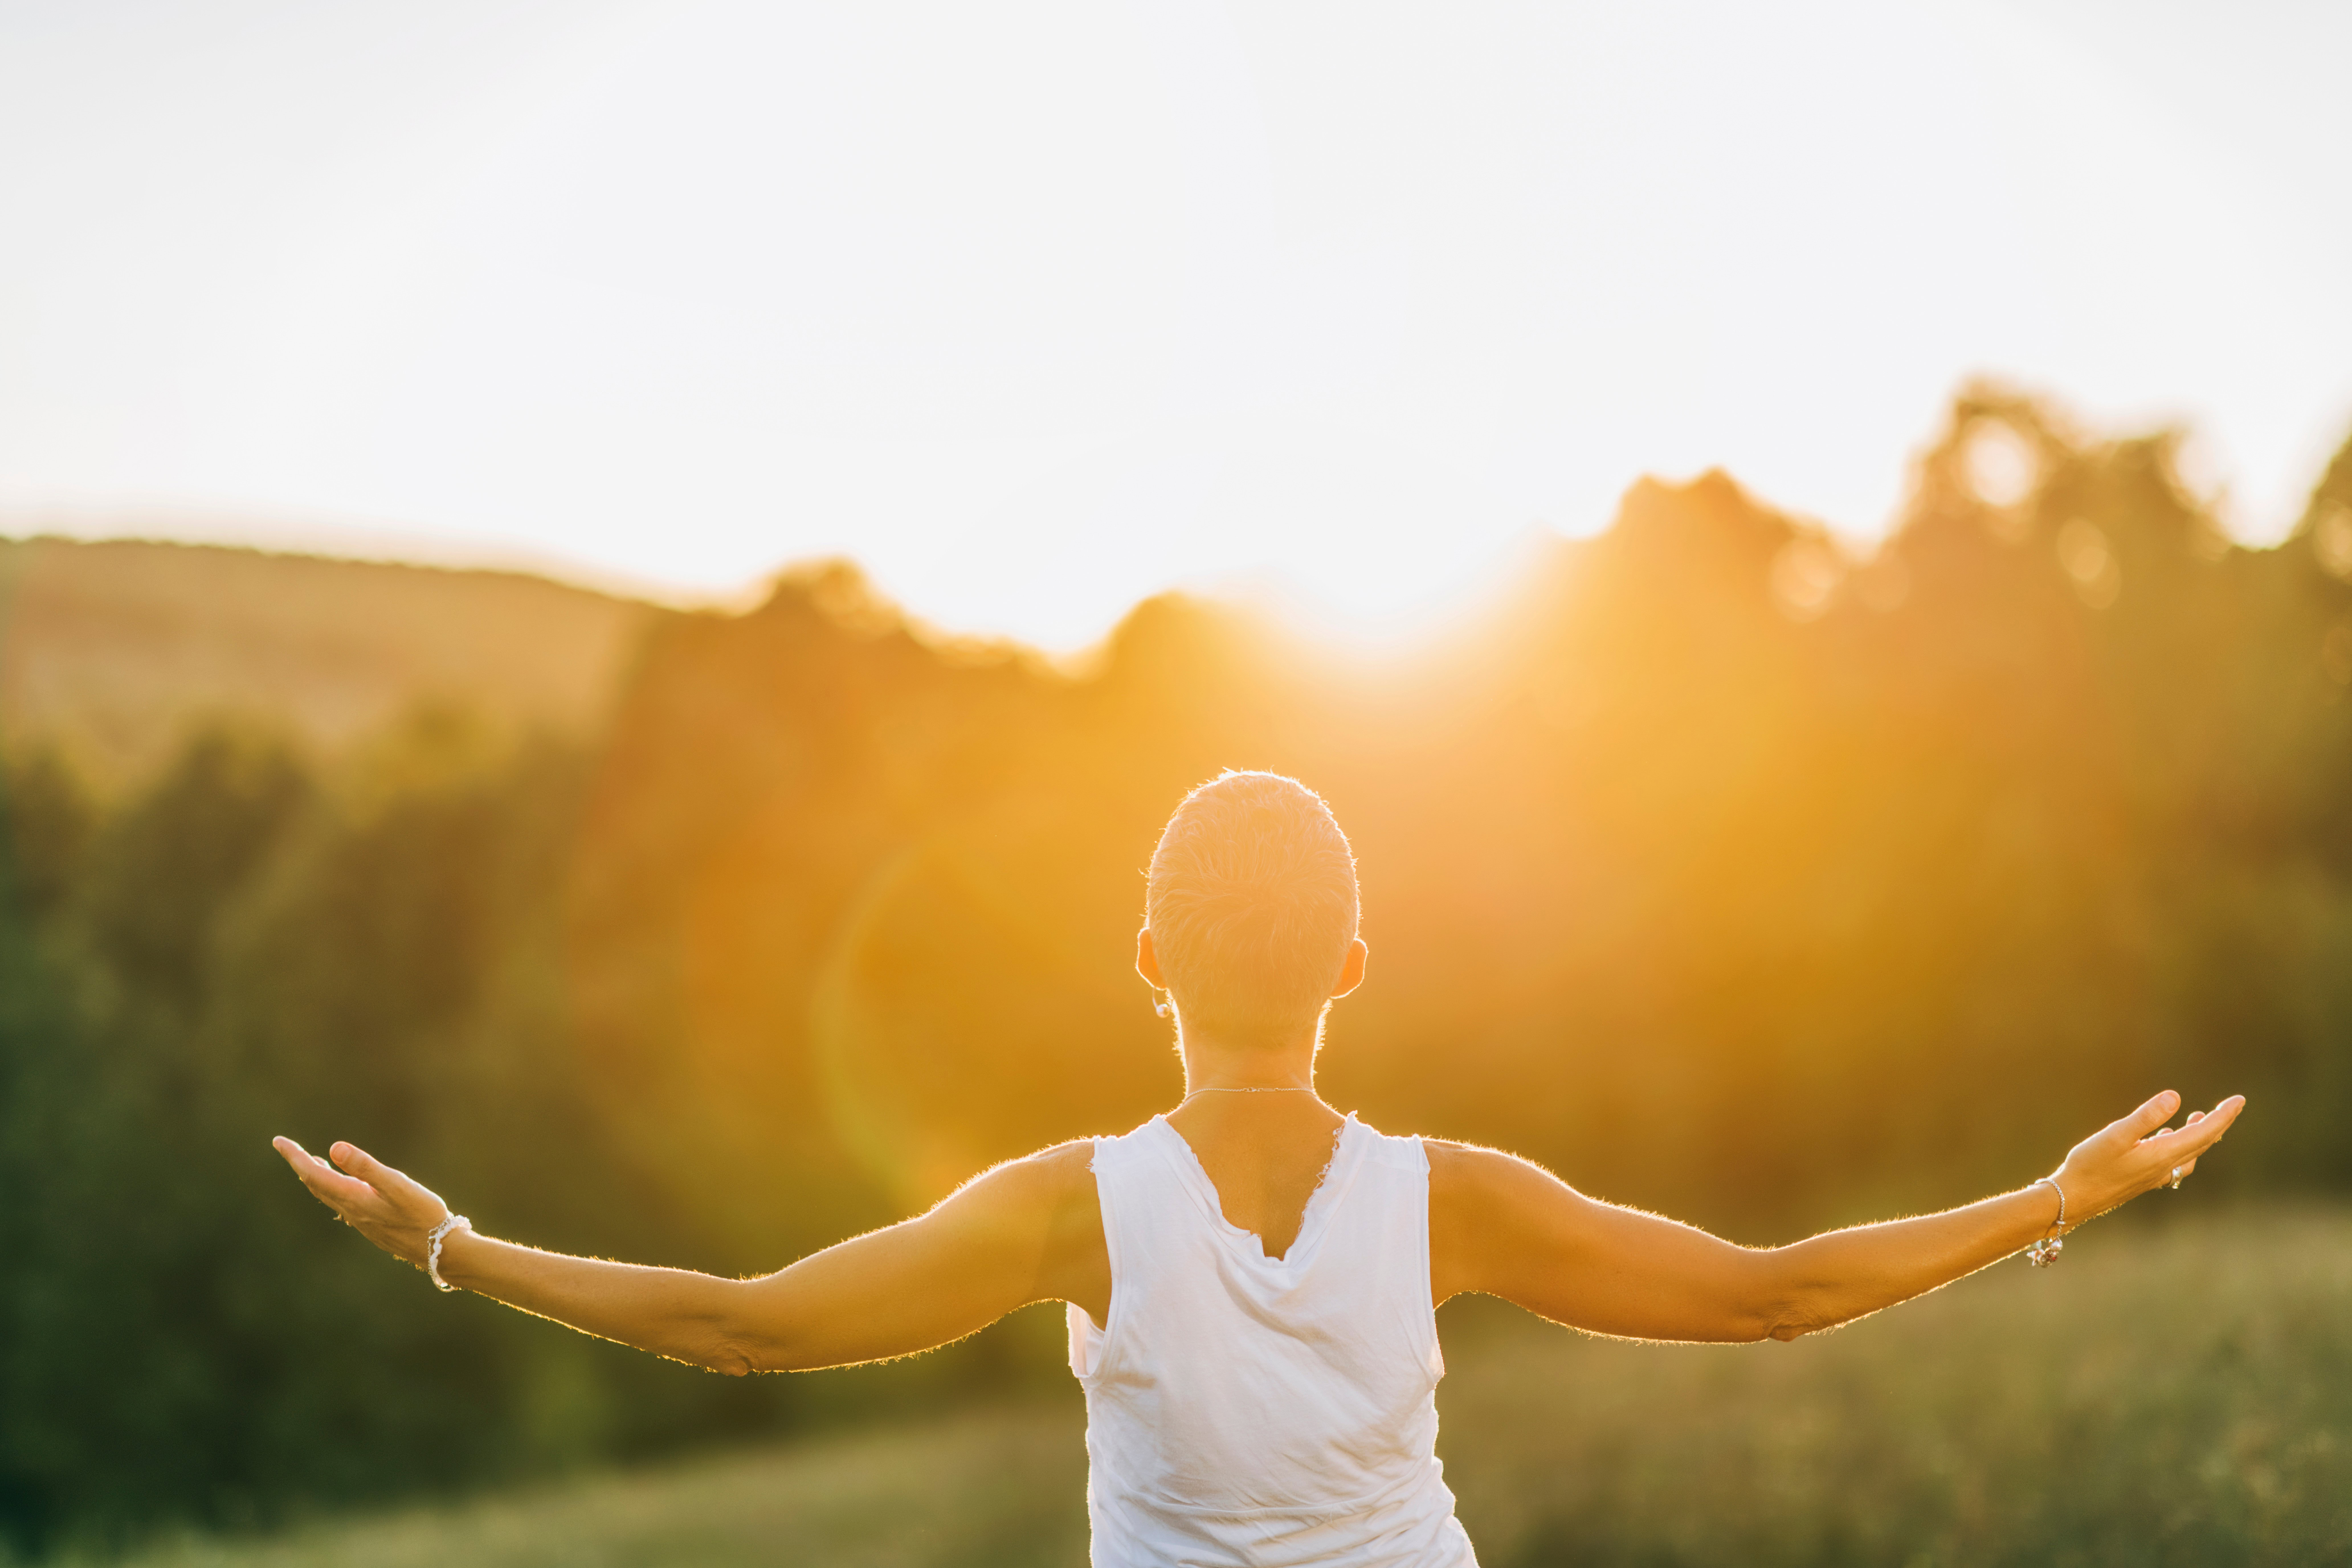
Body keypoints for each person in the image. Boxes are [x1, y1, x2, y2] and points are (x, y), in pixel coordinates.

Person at [276, 769, 2244, 1567]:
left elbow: (745, 1328)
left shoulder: (1074, 1212)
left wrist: (458, 1248)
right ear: (1354, 968)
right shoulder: (1448, 1199)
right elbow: (1775, 1289)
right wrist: (2053, 1200)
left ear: (1151, 965)